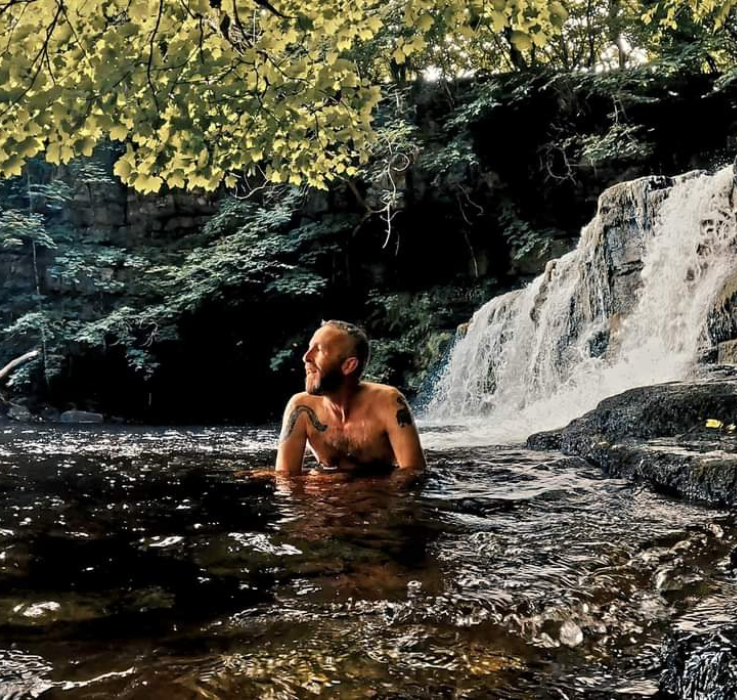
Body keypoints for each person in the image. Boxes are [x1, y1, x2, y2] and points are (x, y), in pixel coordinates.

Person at [275, 320, 426, 475]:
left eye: (318, 350)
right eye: (309, 348)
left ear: (348, 365)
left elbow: (414, 473)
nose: (306, 357)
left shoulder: (389, 403)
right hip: (328, 497)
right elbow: (285, 477)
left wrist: (338, 483)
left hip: (377, 497)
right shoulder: (301, 408)